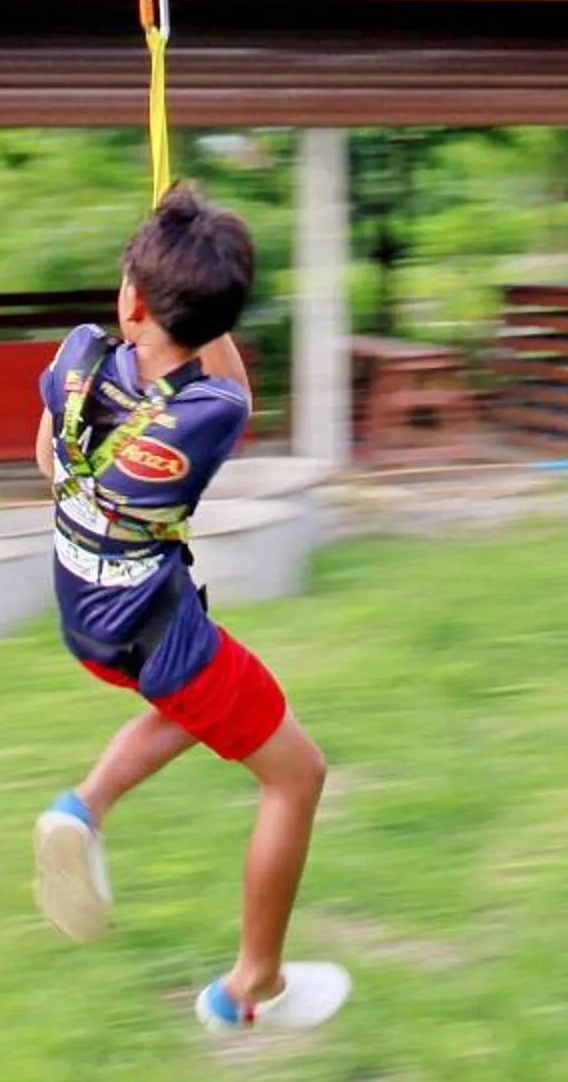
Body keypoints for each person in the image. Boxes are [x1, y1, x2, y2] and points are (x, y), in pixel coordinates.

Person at [30, 184, 349, 1034]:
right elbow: (226, 378)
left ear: (130, 300)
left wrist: (157, 269)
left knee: (198, 708)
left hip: (82, 606)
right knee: (297, 776)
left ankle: (82, 812)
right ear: (219, 321)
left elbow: (48, 460)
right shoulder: (210, 411)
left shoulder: (77, 356)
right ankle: (251, 986)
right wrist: (196, 292)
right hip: (152, 630)